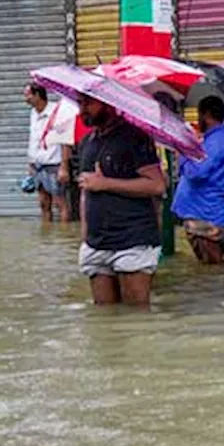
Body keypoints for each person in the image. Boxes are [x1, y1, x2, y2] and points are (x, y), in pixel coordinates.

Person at [76, 97, 166, 307]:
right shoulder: (87, 142)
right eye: (80, 104)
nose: (82, 110)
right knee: (105, 319)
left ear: (107, 103)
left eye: (88, 104)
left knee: (136, 317)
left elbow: (156, 185)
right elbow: (85, 189)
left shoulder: (134, 137)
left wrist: (106, 183)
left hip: (132, 239)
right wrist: (85, 235)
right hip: (97, 242)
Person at [171, 96, 224, 264]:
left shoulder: (216, 141)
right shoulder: (220, 139)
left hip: (206, 213)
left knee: (212, 267)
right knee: (212, 267)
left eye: (199, 114)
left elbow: (196, 172)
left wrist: (183, 154)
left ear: (206, 114)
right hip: (209, 210)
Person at [24, 84, 73, 223]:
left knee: (60, 203)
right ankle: (46, 234)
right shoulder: (33, 113)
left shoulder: (57, 112)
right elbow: (34, 139)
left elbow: (66, 141)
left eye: (28, 95)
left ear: (38, 95)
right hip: (37, 165)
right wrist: (30, 163)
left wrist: (64, 167)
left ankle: (65, 235)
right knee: (44, 203)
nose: (26, 99)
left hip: (54, 165)